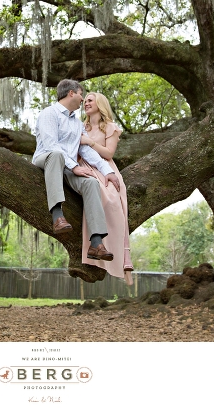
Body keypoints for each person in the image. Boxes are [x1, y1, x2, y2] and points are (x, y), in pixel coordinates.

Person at [32, 79, 121, 262]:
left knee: (90, 182)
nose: (82, 99)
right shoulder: (49, 113)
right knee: (57, 154)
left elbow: (86, 150)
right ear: (71, 93)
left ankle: (96, 243)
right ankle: (58, 217)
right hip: (46, 159)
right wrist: (75, 167)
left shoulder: (77, 124)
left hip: (67, 168)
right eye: (81, 94)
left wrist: (107, 171)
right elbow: (51, 145)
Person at [78, 92, 134, 285]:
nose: (86, 103)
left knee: (110, 201)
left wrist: (90, 142)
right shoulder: (80, 126)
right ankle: (95, 245)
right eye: (84, 100)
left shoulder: (110, 128)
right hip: (82, 167)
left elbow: (109, 153)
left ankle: (116, 254)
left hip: (104, 169)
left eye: (90, 100)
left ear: (100, 104)